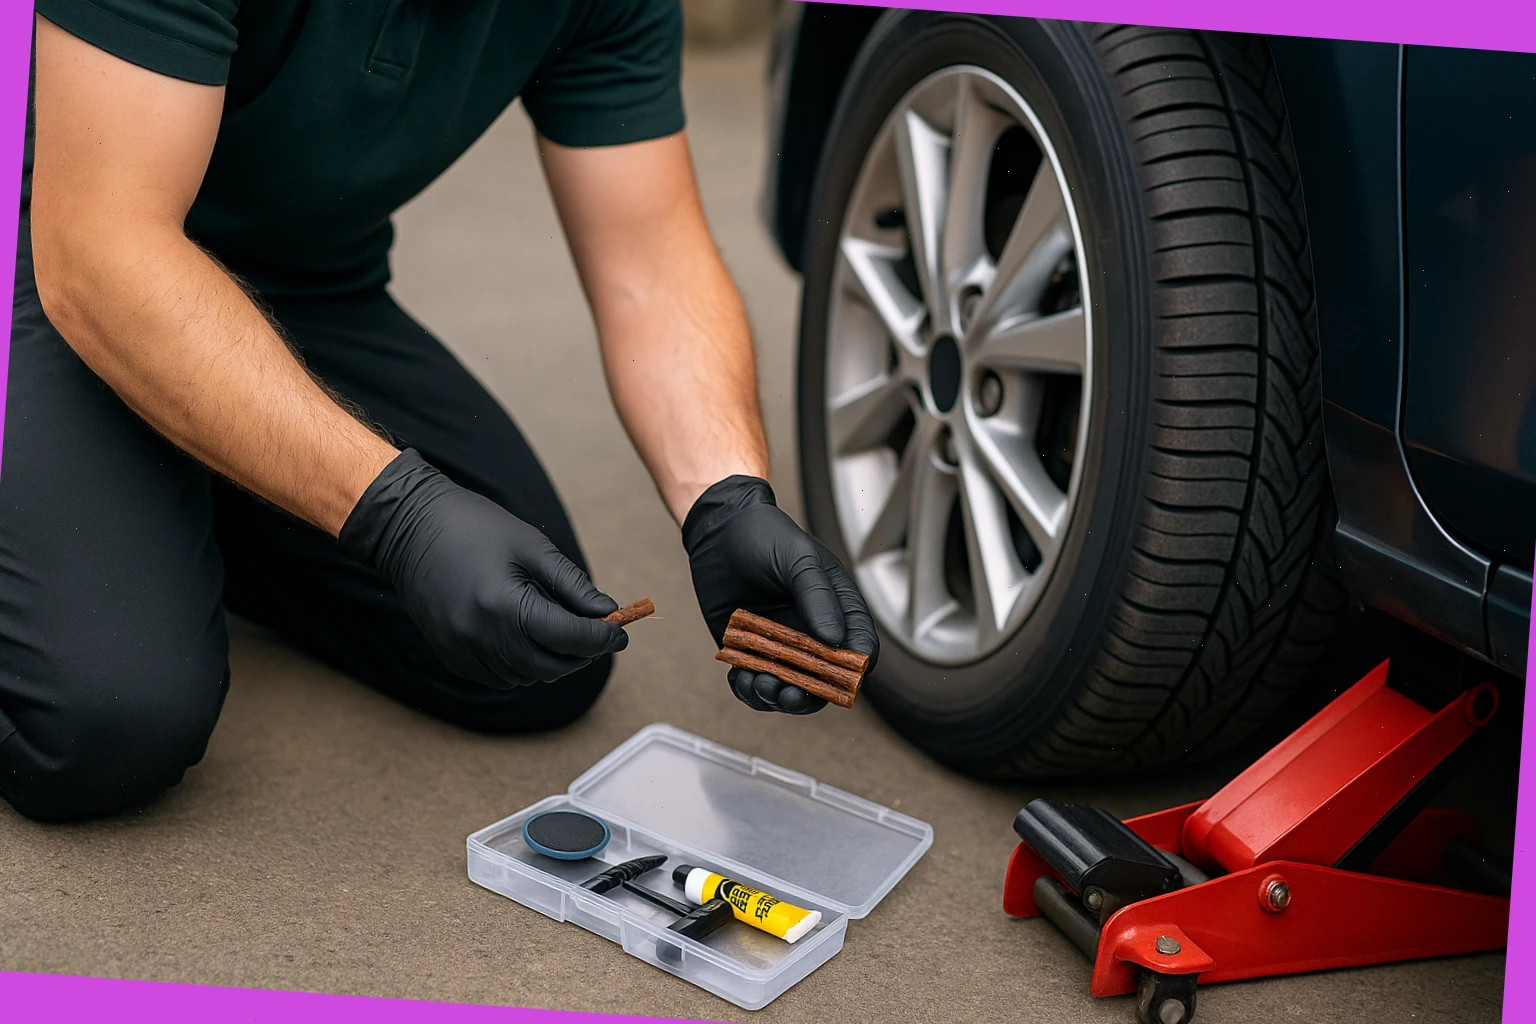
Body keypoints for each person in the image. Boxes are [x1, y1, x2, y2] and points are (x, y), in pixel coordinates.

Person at [3, 2, 878, 822]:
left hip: (301, 285)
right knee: (103, 724)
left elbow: (650, 256)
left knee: (529, 658)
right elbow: (101, 247)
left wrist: (725, 499)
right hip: (56, 243)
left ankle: (193, 475)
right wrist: (398, 514)